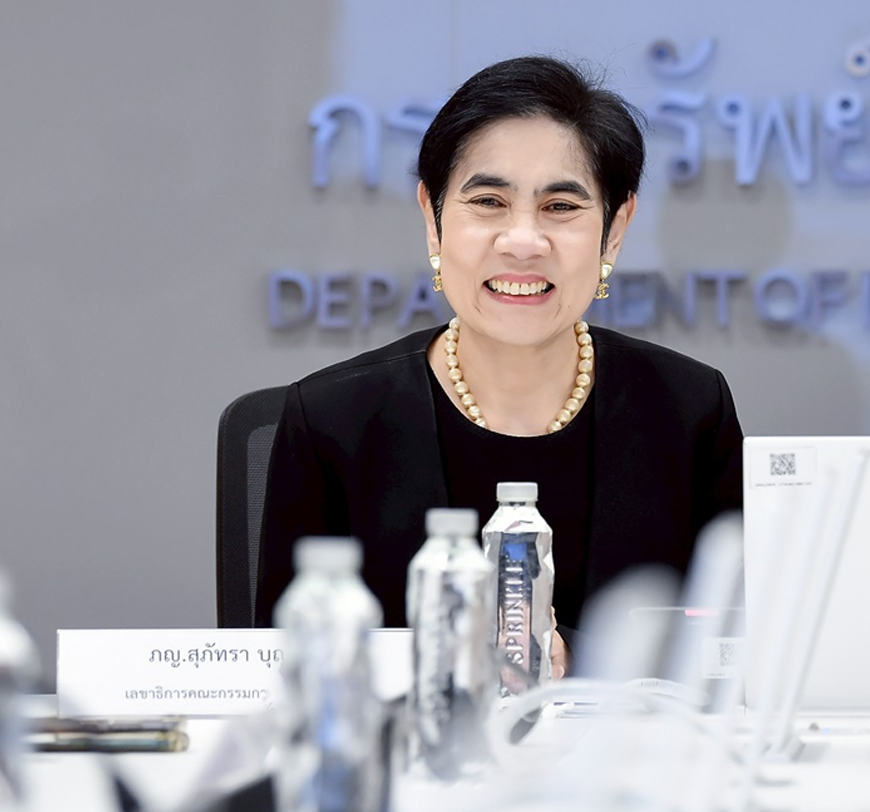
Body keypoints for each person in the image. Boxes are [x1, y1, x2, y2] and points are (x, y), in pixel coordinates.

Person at [254, 56, 744, 673]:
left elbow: (733, 647)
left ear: (615, 230)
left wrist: (574, 662)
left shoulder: (689, 410)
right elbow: (280, 668)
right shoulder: (331, 420)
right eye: (488, 201)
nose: (522, 242)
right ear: (433, 219)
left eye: (560, 207)